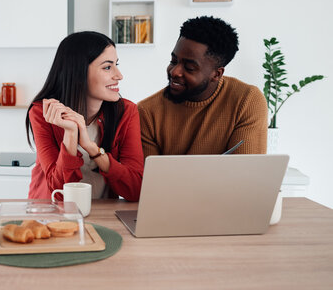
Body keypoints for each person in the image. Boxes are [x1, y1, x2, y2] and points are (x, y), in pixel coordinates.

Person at [26, 31, 143, 202]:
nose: (119, 75)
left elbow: (135, 190)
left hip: (102, 215)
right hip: (49, 213)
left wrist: (91, 148)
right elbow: (58, 192)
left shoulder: (126, 112)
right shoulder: (42, 112)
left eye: (116, 65)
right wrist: (71, 134)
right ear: (78, 72)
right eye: (107, 67)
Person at [138, 16, 268, 156]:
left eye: (189, 68)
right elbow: (151, 176)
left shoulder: (246, 101)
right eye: (173, 61)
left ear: (216, 74)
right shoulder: (147, 112)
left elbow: (246, 172)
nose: (174, 71)